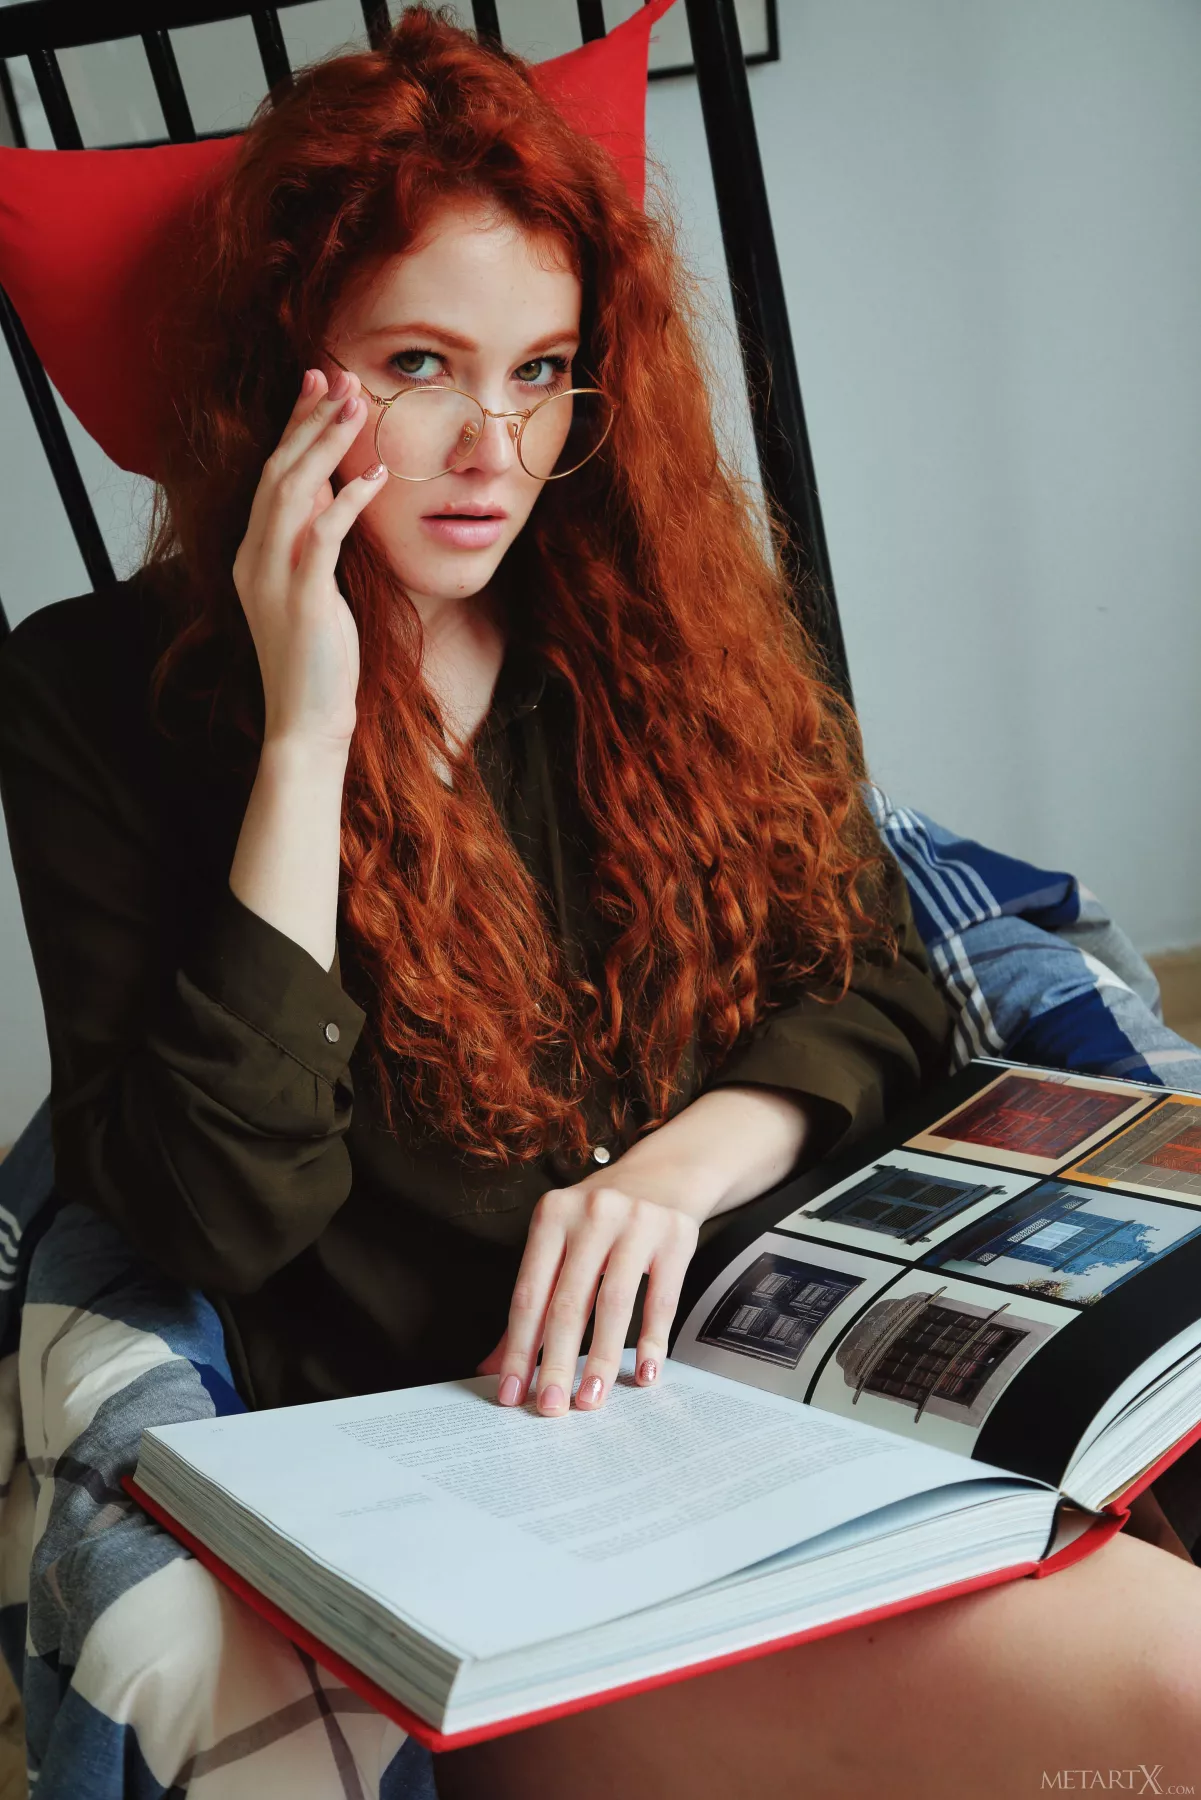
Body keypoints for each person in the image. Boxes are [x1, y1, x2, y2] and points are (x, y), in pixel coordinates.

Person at [0, 9, 1197, 1797]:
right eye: (419, 363)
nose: (497, 445)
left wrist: (681, 1165)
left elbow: (886, 974)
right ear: (285, 370)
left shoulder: (640, 606)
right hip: (507, 1525)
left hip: (805, 1386)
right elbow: (210, 1217)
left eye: (543, 369)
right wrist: (309, 730)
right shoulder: (92, 698)